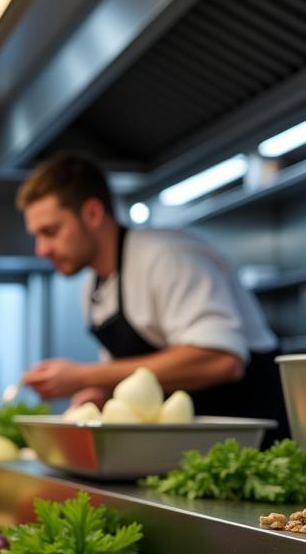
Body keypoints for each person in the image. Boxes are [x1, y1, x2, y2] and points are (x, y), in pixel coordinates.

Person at [16, 153, 289, 440]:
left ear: (93, 214)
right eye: (37, 236)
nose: (41, 250)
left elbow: (222, 360)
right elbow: (129, 375)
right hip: (185, 445)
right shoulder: (92, 287)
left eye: (50, 231)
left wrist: (83, 376)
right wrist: (100, 394)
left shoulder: (167, 257)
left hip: (253, 439)